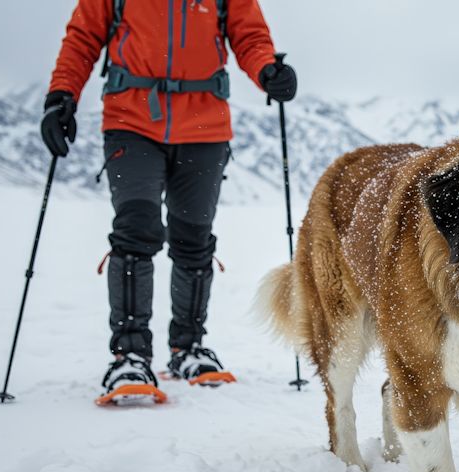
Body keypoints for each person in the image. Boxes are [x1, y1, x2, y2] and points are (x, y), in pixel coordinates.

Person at [40, 0, 297, 405]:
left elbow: (249, 36)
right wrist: (61, 95)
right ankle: (129, 355)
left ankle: (188, 349)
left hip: (205, 126)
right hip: (131, 120)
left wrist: (268, 70)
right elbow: (83, 37)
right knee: (136, 229)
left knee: (194, 236)